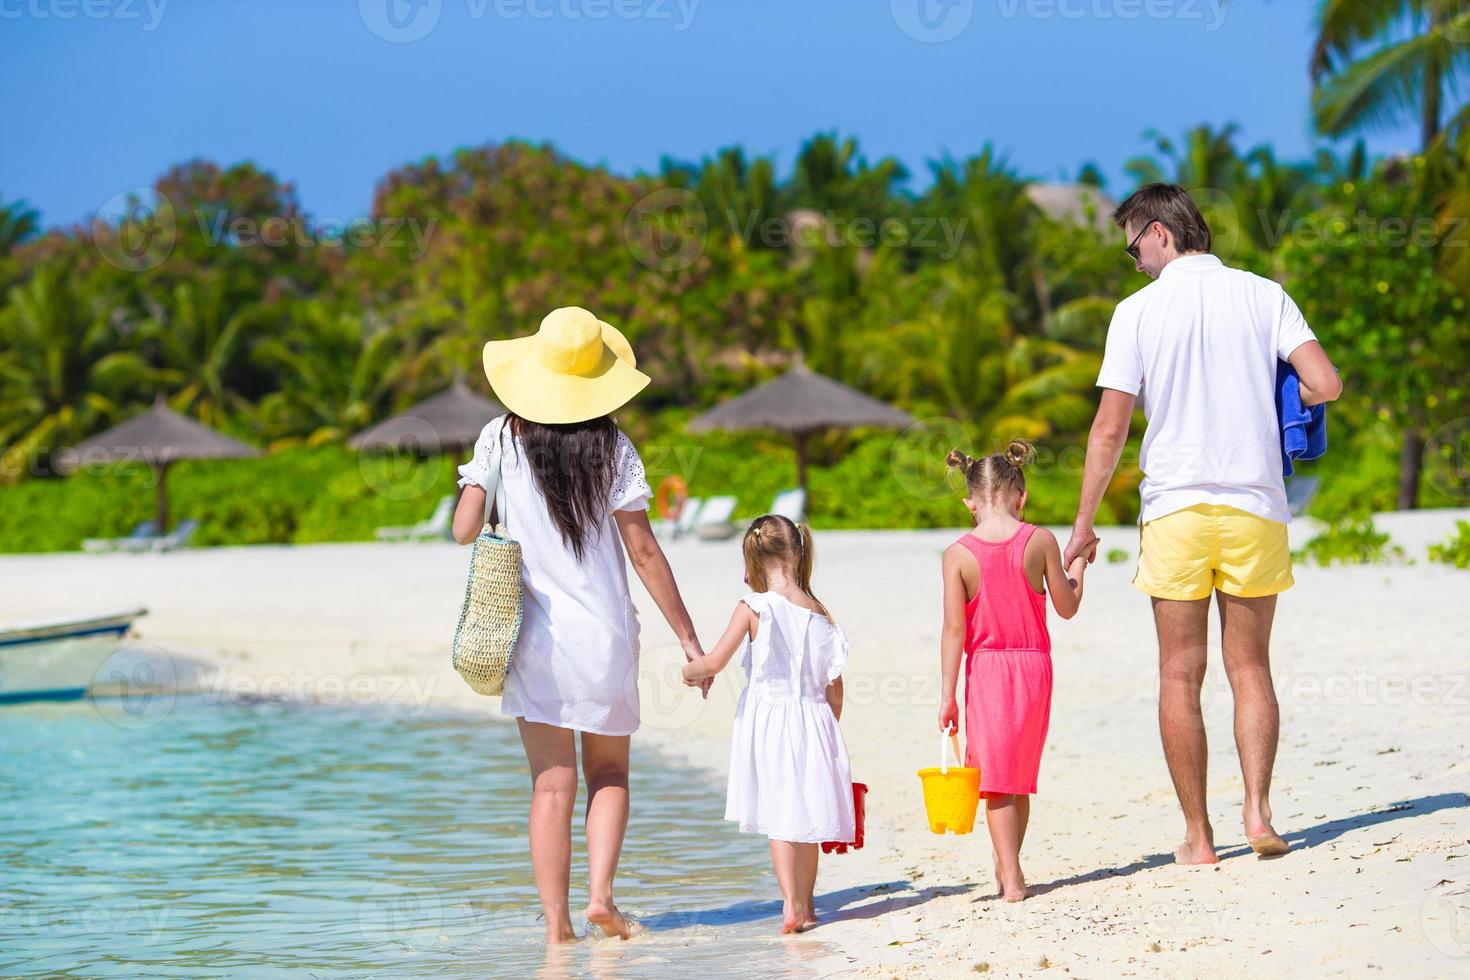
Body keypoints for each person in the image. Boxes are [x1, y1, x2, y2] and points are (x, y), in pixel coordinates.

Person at [1062, 184, 1343, 865]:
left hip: (1177, 510)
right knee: (1250, 667)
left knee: (1178, 674)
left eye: (1134, 247)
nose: (1133, 262)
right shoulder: (1264, 294)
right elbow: (1326, 383)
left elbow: (1110, 428)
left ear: (1160, 233)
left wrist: (1083, 524)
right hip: (1255, 504)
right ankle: (1258, 812)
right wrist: (1277, 396)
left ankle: (1198, 836)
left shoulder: (1137, 312)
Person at [451, 306, 709, 943]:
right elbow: (643, 550)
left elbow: (462, 531)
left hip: (531, 639)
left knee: (550, 785)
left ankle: (557, 931)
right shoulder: (613, 445)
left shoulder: (499, 436)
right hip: (604, 639)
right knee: (610, 775)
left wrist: (480, 489)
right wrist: (688, 638)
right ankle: (601, 898)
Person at [681, 515, 854, 935]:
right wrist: (828, 726)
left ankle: (790, 904)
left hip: (770, 721)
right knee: (808, 815)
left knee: (780, 816)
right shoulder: (821, 614)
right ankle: (809, 906)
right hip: (814, 721)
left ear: (753, 557)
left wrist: (690, 671)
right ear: (798, 551)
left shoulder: (753, 606)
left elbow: (716, 661)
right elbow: (836, 688)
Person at [938, 440, 1086, 902]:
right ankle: (1007, 869)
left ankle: (1012, 876)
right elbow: (1067, 607)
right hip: (1034, 668)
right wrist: (1079, 562)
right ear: (1021, 496)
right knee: (1017, 776)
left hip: (987, 669)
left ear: (969, 502)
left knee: (997, 780)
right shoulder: (1040, 540)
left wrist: (947, 693)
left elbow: (953, 631)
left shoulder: (957, 554)